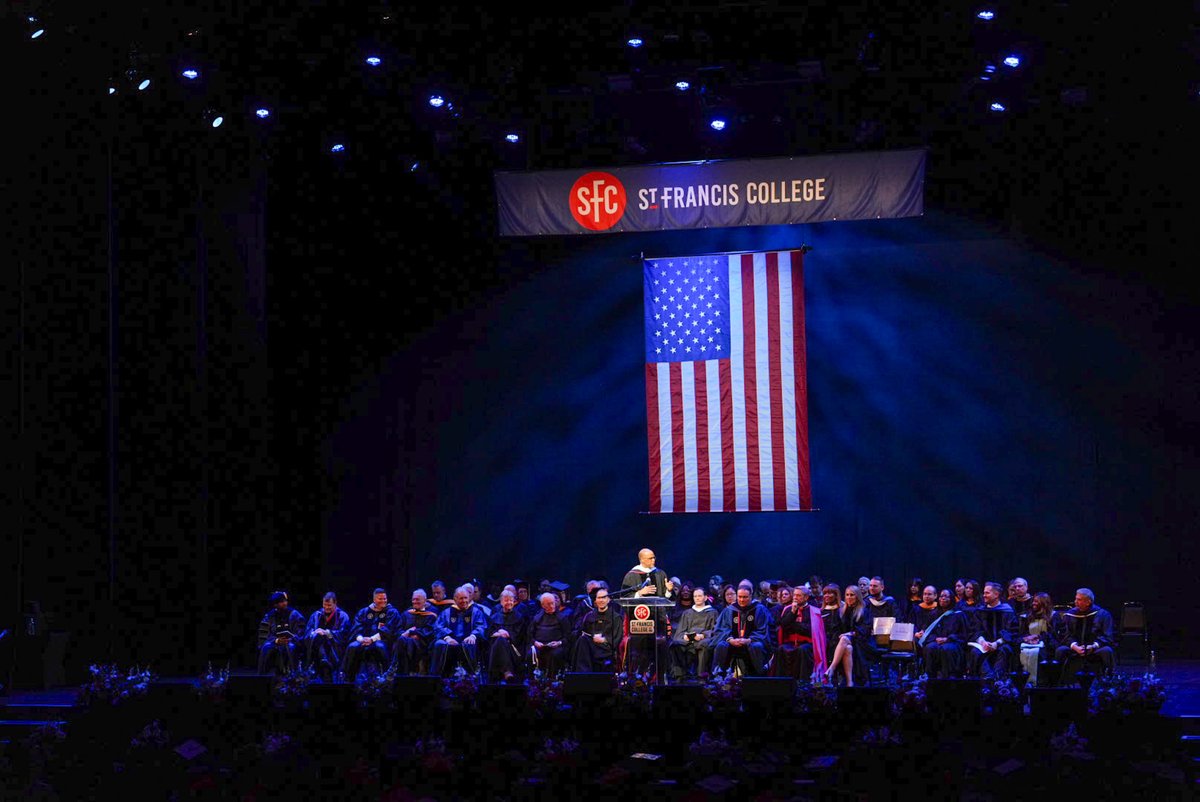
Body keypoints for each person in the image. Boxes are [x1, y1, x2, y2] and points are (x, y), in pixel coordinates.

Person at [620, 548, 676, 679]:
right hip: (639, 622)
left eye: (654, 557)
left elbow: (665, 598)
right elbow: (624, 597)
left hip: (658, 621)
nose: (654, 560)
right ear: (642, 560)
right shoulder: (631, 575)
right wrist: (640, 593)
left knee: (659, 650)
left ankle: (658, 679)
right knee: (639, 652)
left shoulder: (660, 574)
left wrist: (668, 591)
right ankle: (636, 678)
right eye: (650, 558)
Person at [1055, 588, 1115, 682]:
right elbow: (1065, 635)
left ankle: (1108, 681)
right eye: (1076, 599)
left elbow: (1108, 636)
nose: (1075, 602)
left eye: (1079, 600)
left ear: (1088, 602)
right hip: (1075, 648)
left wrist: (1093, 646)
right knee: (1060, 650)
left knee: (1107, 651)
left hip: (1095, 649)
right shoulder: (1070, 615)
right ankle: (1058, 682)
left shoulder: (1103, 614)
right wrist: (1074, 646)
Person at [430, 585, 489, 677]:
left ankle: (471, 675)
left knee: (470, 644)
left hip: (468, 640)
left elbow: (482, 626)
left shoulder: (476, 612)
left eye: (466, 598)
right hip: (450, 641)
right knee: (439, 644)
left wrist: (473, 636)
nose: (464, 601)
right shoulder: (447, 612)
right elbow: (438, 627)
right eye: (461, 598)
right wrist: (447, 638)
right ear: (455, 599)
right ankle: (438, 677)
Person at [712, 586, 772, 676]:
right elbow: (721, 629)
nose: (742, 600)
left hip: (751, 642)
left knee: (757, 646)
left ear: (751, 596)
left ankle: (758, 677)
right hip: (732, 642)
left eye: (745, 597)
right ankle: (719, 677)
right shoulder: (729, 610)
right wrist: (730, 639)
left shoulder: (760, 610)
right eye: (739, 597)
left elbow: (763, 630)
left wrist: (749, 640)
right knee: (721, 645)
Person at [342, 588, 401, 678]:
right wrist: (362, 639)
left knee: (379, 647)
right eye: (380, 599)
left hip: (383, 640)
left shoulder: (392, 612)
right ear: (374, 600)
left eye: (384, 598)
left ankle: (386, 677)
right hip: (364, 640)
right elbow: (356, 629)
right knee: (352, 647)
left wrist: (372, 639)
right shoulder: (364, 612)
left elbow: (389, 630)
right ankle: (348, 678)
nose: (383, 601)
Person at [775, 585, 826, 683]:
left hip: (807, 643)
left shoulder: (814, 611)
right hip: (790, 642)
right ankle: (780, 683)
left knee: (803, 650)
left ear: (806, 597)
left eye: (798, 595)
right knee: (780, 649)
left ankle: (803, 683)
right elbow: (783, 625)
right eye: (794, 595)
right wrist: (793, 612)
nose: (795, 597)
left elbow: (809, 630)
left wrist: (794, 625)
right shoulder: (788, 609)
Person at [966, 582, 1017, 679]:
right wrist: (982, 642)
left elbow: (1012, 632)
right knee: (975, 652)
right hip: (983, 645)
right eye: (984, 593)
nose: (984, 595)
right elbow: (975, 630)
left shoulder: (1008, 611)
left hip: (1002, 644)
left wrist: (996, 643)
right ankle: (987, 679)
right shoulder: (980, 611)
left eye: (987, 593)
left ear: (996, 594)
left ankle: (997, 680)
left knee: (1005, 650)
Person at [824, 585, 872, 687]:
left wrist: (850, 634)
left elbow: (865, 630)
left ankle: (832, 668)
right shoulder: (841, 610)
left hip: (861, 641)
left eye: (852, 595)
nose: (849, 597)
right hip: (844, 644)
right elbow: (836, 629)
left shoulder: (864, 610)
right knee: (848, 648)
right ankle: (850, 682)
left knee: (845, 639)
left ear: (857, 596)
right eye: (847, 595)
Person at [572, 586, 624, 673]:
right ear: (595, 600)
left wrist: (604, 639)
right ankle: (583, 676)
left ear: (609, 600)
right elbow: (583, 631)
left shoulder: (616, 617)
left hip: (606, 648)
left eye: (604, 597)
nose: (601, 600)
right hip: (591, 647)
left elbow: (617, 637)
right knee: (582, 640)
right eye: (599, 598)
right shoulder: (589, 616)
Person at [670, 587, 718, 680]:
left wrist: (703, 635)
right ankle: (680, 675)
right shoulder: (687, 613)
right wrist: (684, 636)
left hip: (703, 639)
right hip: (689, 640)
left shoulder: (713, 612)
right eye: (695, 596)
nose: (697, 598)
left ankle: (701, 675)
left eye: (699, 596)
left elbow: (715, 630)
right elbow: (680, 632)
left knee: (703, 644)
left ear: (705, 597)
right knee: (675, 644)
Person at [919, 589, 969, 679]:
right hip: (936, 641)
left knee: (947, 648)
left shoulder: (959, 615)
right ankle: (930, 677)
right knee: (930, 647)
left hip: (953, 642)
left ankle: (950, 678)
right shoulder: (933, 614)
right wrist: (935, 639)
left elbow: (963, 634)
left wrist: (948, 639)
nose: (943, 598)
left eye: (946, 596)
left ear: (952, 599)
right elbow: (928, 631)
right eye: (941, 596)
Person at [303, 591, 350, 680]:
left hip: (334, 648)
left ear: (335, 603)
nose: (326, 608)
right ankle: (324, 659)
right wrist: (315, 632)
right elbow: (307, 632)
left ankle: (325, 659)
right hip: (316, 648)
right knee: (317, 636)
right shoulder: (316, 615)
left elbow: (344, 634)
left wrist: (327, 633)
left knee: (322, 636)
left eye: (329, 605)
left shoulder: (343, 616)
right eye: (324, 605)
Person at [257, 591, 306, 675]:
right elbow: (264, 635)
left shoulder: (294, 614)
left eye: (285, 601)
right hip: (275, 643)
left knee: (291, 647)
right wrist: (276, 640)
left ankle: (294, 677)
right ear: (275, 605)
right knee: (266, 647)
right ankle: (262, 677)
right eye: (281, 602)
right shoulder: (269, 616)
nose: (285, 603)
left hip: (291, 642)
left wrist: (291, 639)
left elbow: (301, 632)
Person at [486, 589, 528, 682]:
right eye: (506, 600)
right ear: (501, 602)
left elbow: (519, 637)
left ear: (514, 601)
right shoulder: (494, 617)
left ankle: (498, 673)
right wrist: (499, 633)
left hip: (514, 649)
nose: (509, 602)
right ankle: (507, 671)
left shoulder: (519, 617)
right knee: (500, 640)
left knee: (501, 641)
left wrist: (507, 635)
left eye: (511, 600)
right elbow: (489, 634)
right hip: (495, 647)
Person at [393, 589, 438, 675]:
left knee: (404, 641)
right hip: (406, 641)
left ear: (424, 600)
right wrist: (407, 633)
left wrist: (413, 633)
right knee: (403, 640)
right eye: (413, 599)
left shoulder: (432, 614)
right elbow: (398, 629)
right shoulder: (407, 613)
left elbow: (429, 631)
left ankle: (397, 669)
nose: (414, 601)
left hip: (423, 643)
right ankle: (403, 671)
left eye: (417, 599)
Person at [1019, 592, 1059, 686]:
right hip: (1027, 644)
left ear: (1044, 603)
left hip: (1046, 645)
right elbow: (1021, 633)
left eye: (1036, 601)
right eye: (1033, 601)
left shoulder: (1053, 616)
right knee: (1021, 652)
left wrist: (1039, 637)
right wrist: (1027, 638)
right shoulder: (1028, 616)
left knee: (1040, 654)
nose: (1033, 603)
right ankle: (1023, 683)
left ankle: (1039, 683)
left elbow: (1055, 635)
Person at [528, 592, 573, 677]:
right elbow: (530, 635)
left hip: (557, 646)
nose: (552, 606)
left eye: (553, 603)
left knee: (554, 655)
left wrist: (559, 643)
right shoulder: (537, 618)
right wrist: (535, 642)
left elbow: (568, 637)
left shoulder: (562, 618)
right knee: (531, 654)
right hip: (539, 646)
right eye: (548, 604)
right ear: (542, 605)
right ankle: (533, 680)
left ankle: (552, 680)